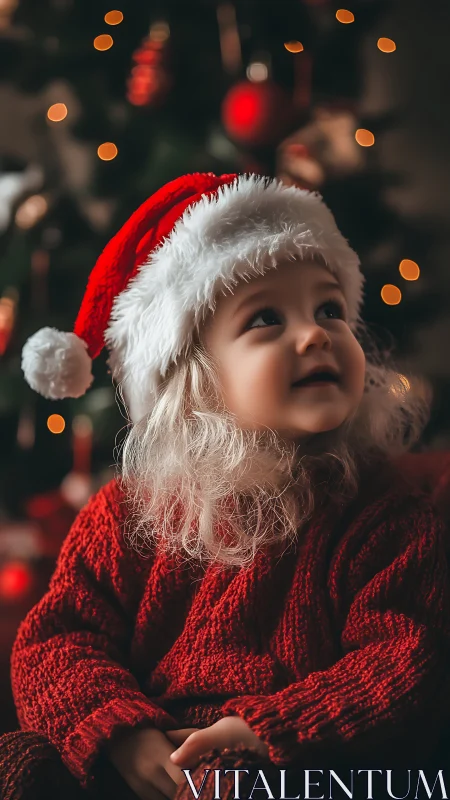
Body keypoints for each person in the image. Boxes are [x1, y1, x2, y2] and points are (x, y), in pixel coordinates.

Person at [9, 172, 450, 800]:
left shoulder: (384, 514)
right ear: (195, 382)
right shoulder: (125, 514)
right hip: (144, 751)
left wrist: (265, 729)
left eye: (329, 309)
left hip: (289, 761)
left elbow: (404, 660)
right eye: (266, 318)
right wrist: (122, 735)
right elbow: (57, 642)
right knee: (18, 761)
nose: (315, 334)